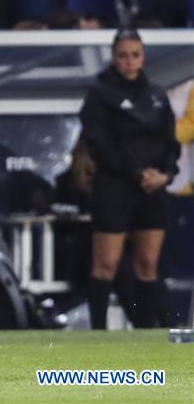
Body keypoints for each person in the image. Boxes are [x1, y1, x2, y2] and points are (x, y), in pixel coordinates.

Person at [80, 29, 180, 329]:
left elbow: (170, 143)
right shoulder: (99, 95)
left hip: (153, 188)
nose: (129, 62)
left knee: (148, 263)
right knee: (106, 264)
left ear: (143, 57)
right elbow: (100, 144)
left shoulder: (157, 96)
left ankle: (145, 333)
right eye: (123, 55)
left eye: (134, 55)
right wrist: (137, 173)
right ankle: (97, 333)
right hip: (115, 186)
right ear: (114, 57)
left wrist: (165, 174)